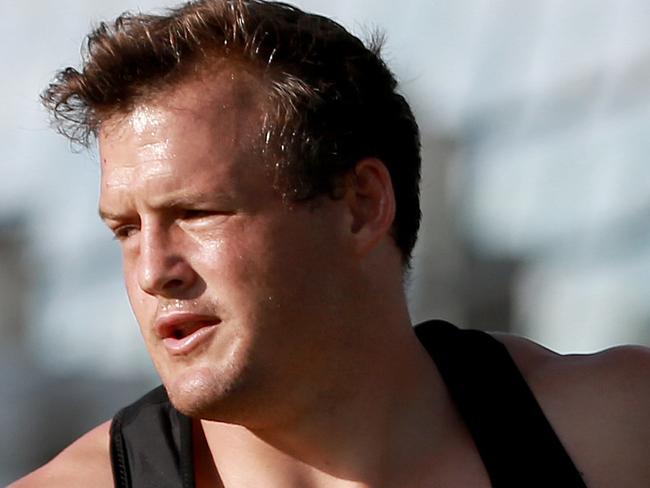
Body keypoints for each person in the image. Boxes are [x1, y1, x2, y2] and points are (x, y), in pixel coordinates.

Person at [12, 0, 650, 486]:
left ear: (362, 207)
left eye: (198, 212)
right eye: (125, 230)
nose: (153, 270)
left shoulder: (614, 434)